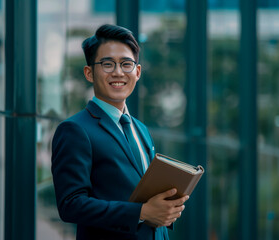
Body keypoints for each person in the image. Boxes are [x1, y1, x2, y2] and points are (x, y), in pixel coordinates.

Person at [51, 24, 189, 240]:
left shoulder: (140, 129)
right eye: (107, 64)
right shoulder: (75, 130)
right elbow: (71, 204)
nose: (118, 72)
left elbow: (145, 196)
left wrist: (166, 210)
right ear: (89, 73)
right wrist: (141, 213)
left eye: (126, 64)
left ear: (138, 71)